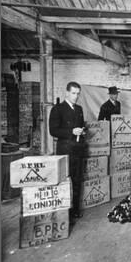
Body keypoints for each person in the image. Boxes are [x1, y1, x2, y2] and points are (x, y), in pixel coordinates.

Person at [49, 81, 86, 223]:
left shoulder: (79, 109)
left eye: (78, 94)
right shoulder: (57, 109)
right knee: (65, 182)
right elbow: (53, 131)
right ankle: (64, 213)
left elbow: (81, 126)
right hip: (65, 150)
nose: (76, 96)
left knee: (77, 181)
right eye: (73, 93)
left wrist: (83, 131)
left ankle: (74, 211)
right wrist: (71, 131)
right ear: (66, 92)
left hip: (77, 150)